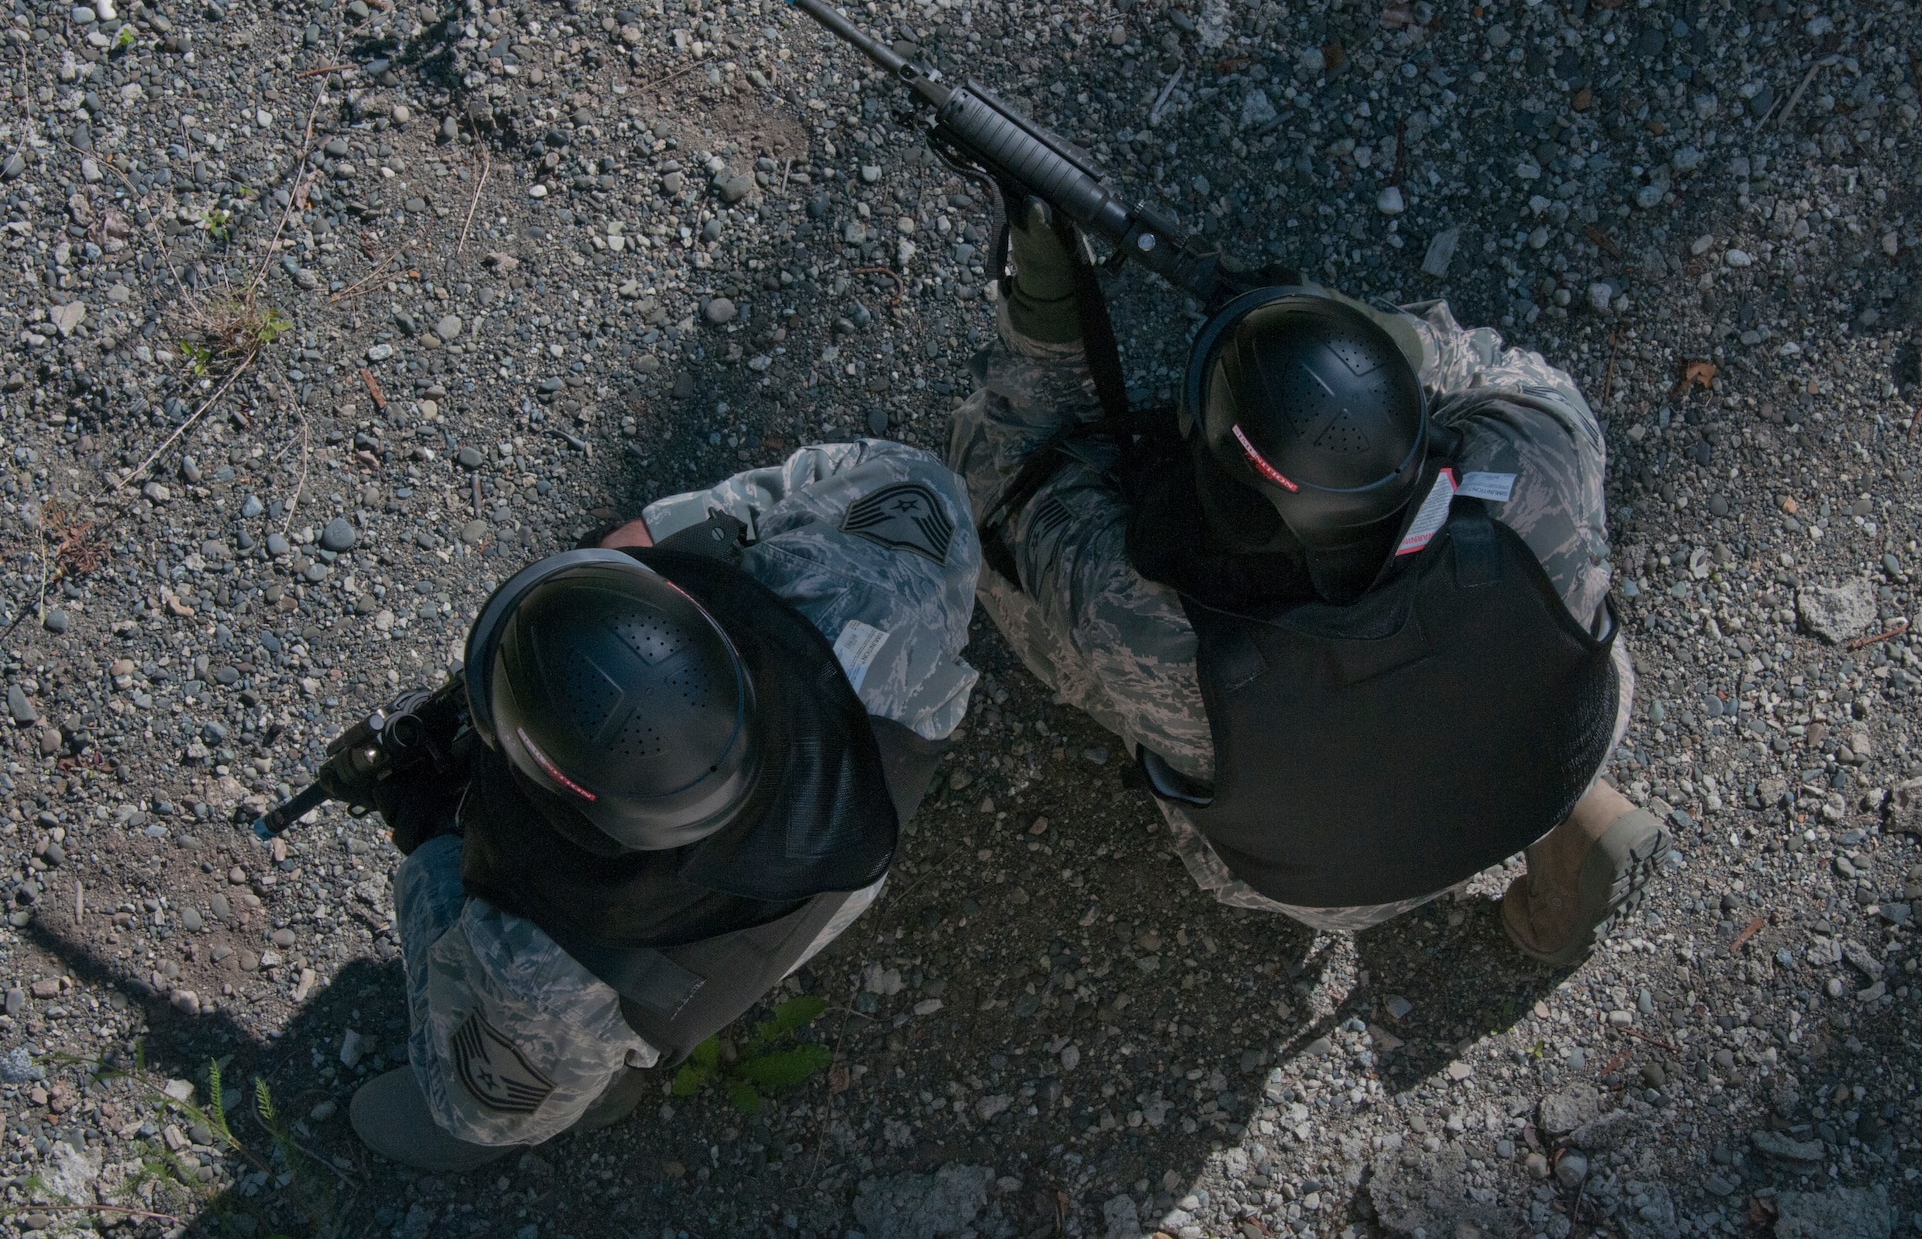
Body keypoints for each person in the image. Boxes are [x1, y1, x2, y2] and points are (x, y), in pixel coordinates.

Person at [947, 203, 1669, 963]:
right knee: (1512, 644)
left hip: (1348, 885)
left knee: (1037, 596)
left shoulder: (1149, 627)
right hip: (1558, 748)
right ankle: (1567, 816)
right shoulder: (1539, 462)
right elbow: (1482, 365)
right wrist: (1373, 338)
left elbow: (1004, 476)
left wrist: (1047, 328)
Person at [341, 442, 980, 1169]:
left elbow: (488, 1108)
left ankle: (605, 1084)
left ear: (577, 812)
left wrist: (428, 837)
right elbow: (894, 472)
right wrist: (660, 533)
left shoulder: (540, 966)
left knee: (471, 1080)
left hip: (641, 987)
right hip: (847, 863)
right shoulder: (878, 597)